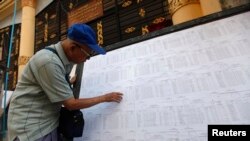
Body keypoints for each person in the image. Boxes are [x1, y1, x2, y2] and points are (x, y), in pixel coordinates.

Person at [7, 23, 123, 141]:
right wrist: (104, 98)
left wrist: (66, 82)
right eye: (87, 55)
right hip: (33, 129)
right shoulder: (48, 61)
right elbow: (71, 104)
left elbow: (54, 79)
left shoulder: (64, 56)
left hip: (47, 121)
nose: (87, 60)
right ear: (73, 48)